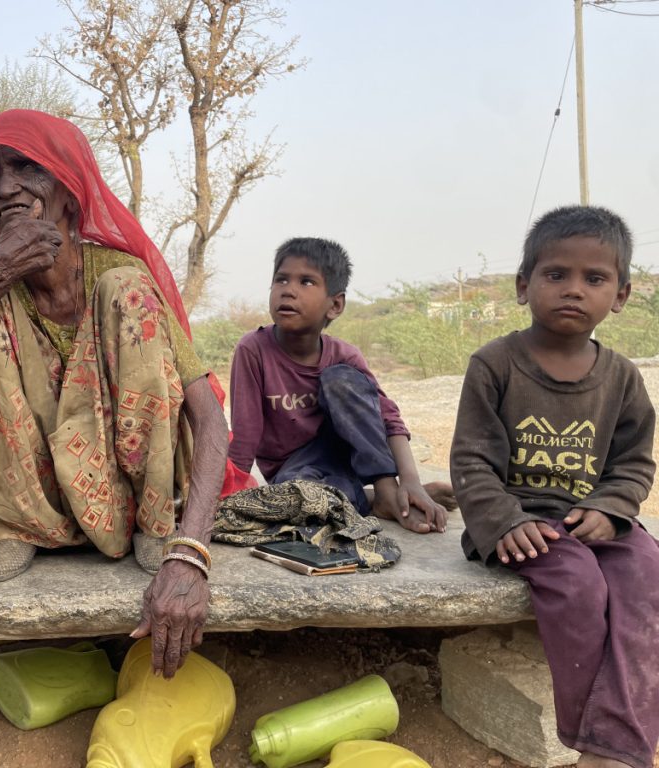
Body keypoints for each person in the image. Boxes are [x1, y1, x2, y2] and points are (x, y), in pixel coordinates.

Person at [0, 110, 229, 679]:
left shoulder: (118, 270)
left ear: (68, 188)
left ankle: (154, 519)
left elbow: (209, 419)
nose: (5, 187)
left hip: (122, 492)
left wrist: (192, 555)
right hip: (30, 492)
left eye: (26, 167)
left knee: (127, 289)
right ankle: (12, 524)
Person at [450, 205, 659, 768]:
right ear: (524, 286)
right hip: (521, 524)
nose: (574, 289)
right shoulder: (495, 364)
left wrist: (612, 508)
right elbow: (471, 460)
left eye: (595, 278)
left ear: (620, 295)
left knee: (648, 574)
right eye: (556, 274)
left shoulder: (621, 377)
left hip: (594, 517)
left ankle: (619, 743)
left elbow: (634, 461)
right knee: (577, 584)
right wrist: (504, 519)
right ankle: (598, 741)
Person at [228, 237, 453, 533]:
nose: (288, 290)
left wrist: (411, 481)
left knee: (341, 379)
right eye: (281, 279)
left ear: (335, 305)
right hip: (294, 471)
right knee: (294, 501)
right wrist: (228, 495)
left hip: (349, 457)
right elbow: (245, 434)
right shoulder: (253, 350)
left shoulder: (345, 355)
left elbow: (387, 418)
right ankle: (377, 501)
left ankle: (388, 490)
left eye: (306, 282)